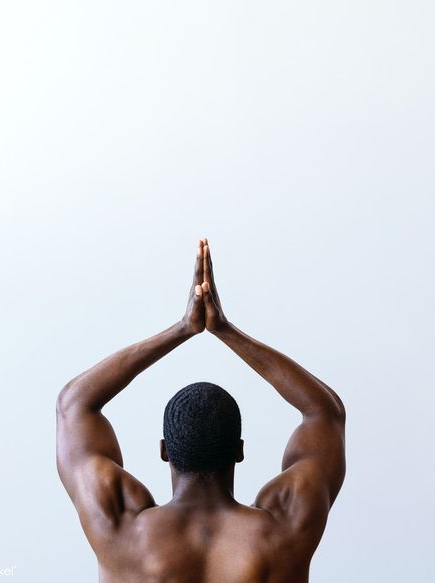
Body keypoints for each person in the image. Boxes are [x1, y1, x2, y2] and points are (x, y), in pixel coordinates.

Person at [56, 238, 346, 582]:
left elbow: (73, 405)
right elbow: (325, 412)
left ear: (165, 450)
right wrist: (225, 330)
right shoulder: (287, 525)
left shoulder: (120, 529)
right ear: (239, 450)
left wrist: (182, 329)